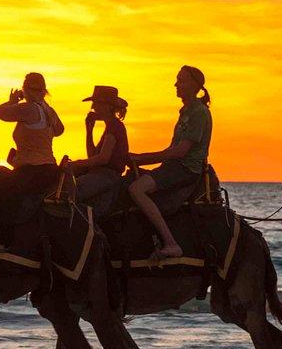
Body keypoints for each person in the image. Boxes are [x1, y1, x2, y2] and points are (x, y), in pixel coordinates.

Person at [127, 65, 213, 259]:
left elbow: (181, 152)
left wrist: (143, 157)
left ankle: (171, 243)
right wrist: (141, 158)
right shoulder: (186, 111)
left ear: (195, 85)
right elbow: (171, 149)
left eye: (181, 80)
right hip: (174, 166)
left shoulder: (198, 112)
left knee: (136, 189)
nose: (176, 84)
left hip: (185, 169)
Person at [0, 72, 65, 253]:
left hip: (33, 169)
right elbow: (60, 130)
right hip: (49, 167)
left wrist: (13, 101)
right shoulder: (48, 110)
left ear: (25, 89)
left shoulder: (29, 109)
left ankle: (2, 240)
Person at [70, 85, 130, 205]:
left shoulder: (114, 127)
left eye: (96, 104)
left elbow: (103, 158)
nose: (93, 107)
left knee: (71, 191)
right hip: (99, 173)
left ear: (107, 107)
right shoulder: (111, 126)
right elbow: (92, 156)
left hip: (107, 176)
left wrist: (75, 163)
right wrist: (89, 131)